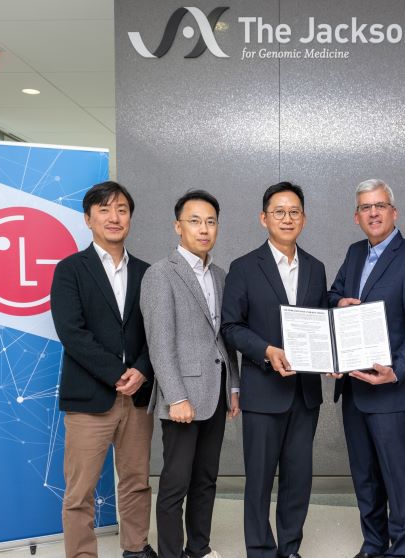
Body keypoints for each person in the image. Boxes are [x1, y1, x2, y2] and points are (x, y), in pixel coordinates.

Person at [328, 179, 405, 558]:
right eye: (365, 207)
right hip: (355, 391)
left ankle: (402, 551)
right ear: (356, 216)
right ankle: (374, 545)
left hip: (392, 390)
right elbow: (332, 294)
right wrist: (338, 302)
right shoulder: (355, 252)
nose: (372, 213)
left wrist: (397, 370)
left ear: (394, 212)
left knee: (401, 479)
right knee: (366, 478)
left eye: (379, 205)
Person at [50, 180, 157, 558]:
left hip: (139, 396)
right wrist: (117, 373)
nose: (115, 217)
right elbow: (71, 332)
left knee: (136, 482)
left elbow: (156, 332)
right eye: (105, 210)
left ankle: (136, 547)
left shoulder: (148, 272)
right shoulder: (70, 270)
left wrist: (142, 370)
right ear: (88, 219)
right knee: (80, 491)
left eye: (122, 209)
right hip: (90, 397)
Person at [221, 182, 329, 558]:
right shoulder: (244, 268)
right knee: (260, 481)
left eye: (294, 211)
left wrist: (333, 352)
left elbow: (320, 322)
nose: (287, 218)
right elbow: (231, 327)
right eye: (279, 211)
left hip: (305, 394)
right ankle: (261, 550)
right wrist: (266, 351)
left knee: (298, 479)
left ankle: (290, 548)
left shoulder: (316, 268)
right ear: (263, 217)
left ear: (304, 218)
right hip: (263, 392)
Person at [141, 189, 241, 558]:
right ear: (177, 227)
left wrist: (233, 385)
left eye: (211, 221)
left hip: (215, 393)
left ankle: (199, 549)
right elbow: (160, 343)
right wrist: (176, 396)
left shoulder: (219, 274)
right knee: (175, 484)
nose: (204, 229)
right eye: (195, 221)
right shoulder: (160, 275)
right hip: (182, 398)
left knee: (206, 480)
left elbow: (224, 338)